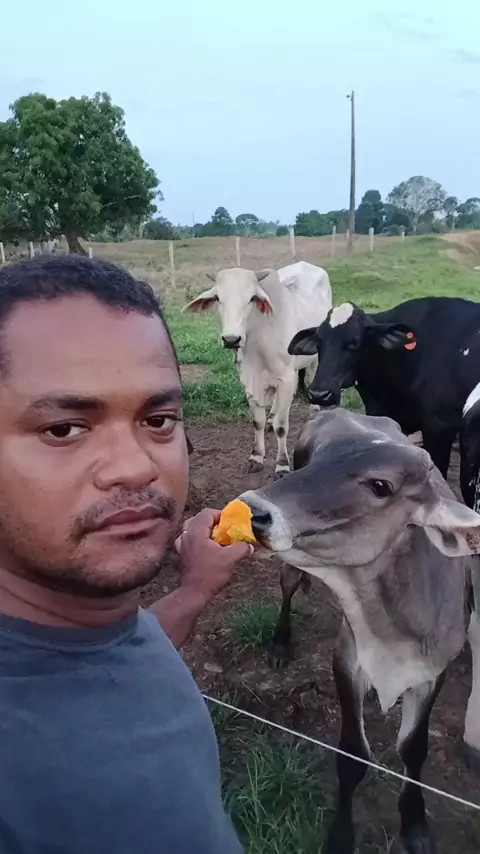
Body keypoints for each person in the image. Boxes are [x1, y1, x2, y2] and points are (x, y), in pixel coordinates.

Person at [0, 255, 252, 853]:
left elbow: (115, 651)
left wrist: (194, 589)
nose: (137, 466)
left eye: (158, 419)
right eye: (64, 429)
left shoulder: (82, 618)